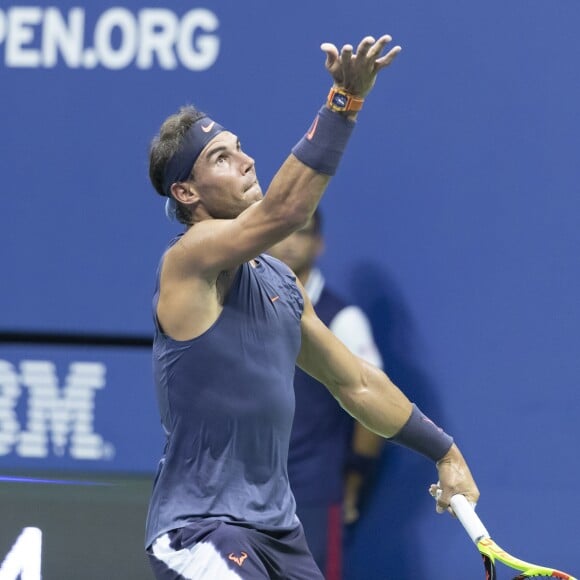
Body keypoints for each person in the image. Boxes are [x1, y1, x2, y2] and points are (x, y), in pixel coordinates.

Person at [145, 34, 479, 580]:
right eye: (221, 157)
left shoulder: (279, 282)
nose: (246, 161)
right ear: (187, 193)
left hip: (280, 534)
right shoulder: (189, 259)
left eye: (238, 146)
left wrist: (444, 450)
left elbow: (356, 384)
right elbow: (283, 212)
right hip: (201, 529)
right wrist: (343, 103)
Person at [268, 209, 385, 579]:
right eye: (282, 232)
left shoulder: (343, 318)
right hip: (246, 493)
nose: (289, 243)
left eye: (301, 233)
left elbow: (375, 404)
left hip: (312, 495)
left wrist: (354, 477)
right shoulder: (246, 307)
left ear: (319, 244)